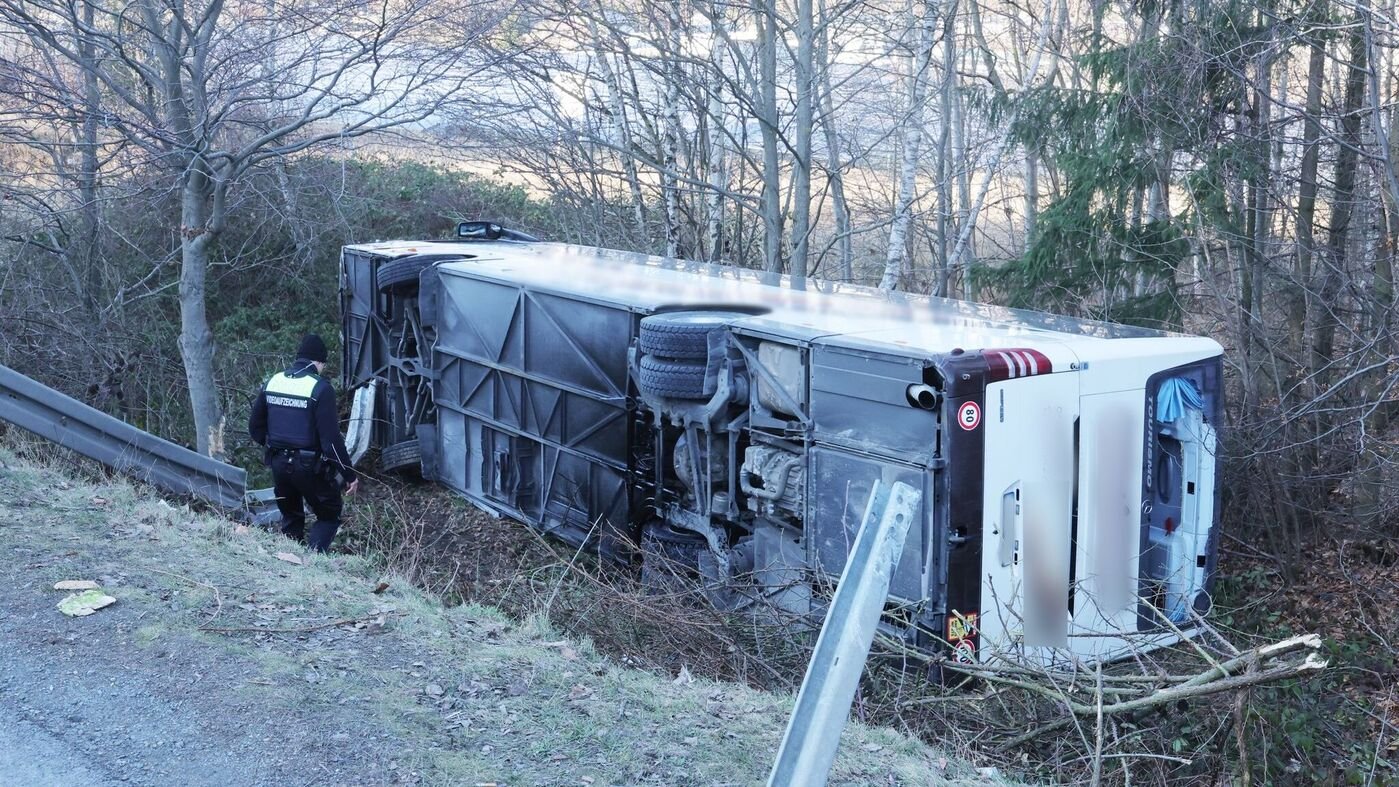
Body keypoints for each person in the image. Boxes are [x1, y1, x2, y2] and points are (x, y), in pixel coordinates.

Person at [248, 334, 359, 552]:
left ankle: (291, 561)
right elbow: (331, 442)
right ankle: (313, 560)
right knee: (329, 514)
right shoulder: (320, 388)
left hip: (278, 464)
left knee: (291, 515)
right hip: (309, 466)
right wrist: (349, 475)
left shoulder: (273, 382)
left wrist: (273, 446)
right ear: (319, 362)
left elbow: (255, 427)